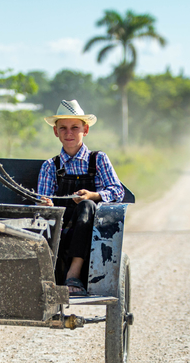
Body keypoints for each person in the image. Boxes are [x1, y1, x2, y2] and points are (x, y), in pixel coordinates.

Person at [37, 99, 124, 296]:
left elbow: (117, 191)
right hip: (61, 226)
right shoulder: (50, 166)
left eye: (74, 127)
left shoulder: (98, 159)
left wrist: (93, 195)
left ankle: (74, 272)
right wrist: (46, 203)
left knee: (86, 205)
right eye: (63, 128)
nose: (69, 133)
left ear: (85, 130)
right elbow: (42, 199)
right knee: (46, 213)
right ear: (55, 132)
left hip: (92, 229)